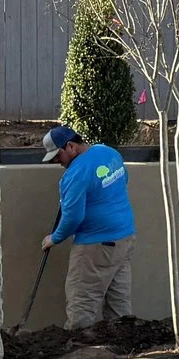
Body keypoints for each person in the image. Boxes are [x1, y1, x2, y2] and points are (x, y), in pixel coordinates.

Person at [41, 124, 136, 328]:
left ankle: (80, 354)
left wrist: (54, 238)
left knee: (82, 305)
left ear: (71, 146)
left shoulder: (75, 174)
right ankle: (123, 351)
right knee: (118, 304)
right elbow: (123, 181)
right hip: (124, 238)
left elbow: (73, 217)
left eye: (58, 156)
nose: (57, 162)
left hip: (95, 246)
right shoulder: (109, 153)